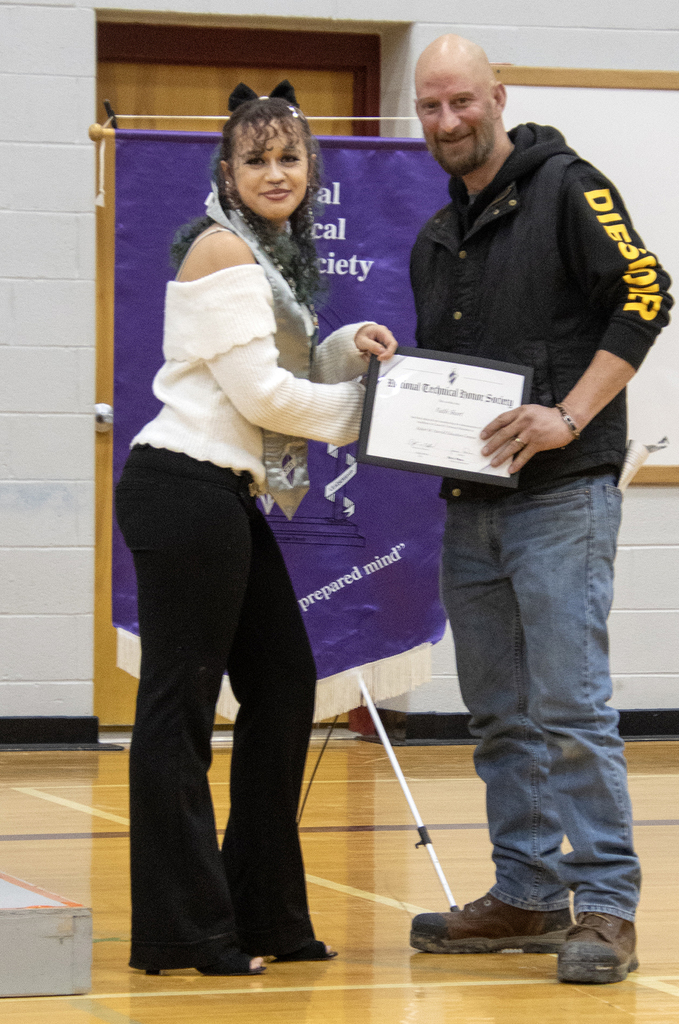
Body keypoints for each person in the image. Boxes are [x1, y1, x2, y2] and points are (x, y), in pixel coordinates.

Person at [114, 84, 397, 977]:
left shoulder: (271, 256)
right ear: (227, 175)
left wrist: (350, 345)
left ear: (309, 169)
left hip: (224, 492)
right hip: (183, 486)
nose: (275, 171)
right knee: (180, 713)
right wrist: (375, 413)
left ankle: (263, 915)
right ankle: (184, 931)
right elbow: (265, 399)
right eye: (256, 158)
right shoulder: (223, 248)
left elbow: (287, 372)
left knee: (282, 689)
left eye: (289, 157)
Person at [407, 36, 672, 984]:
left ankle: (603, 906)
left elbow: (646, 294)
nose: (447, 122)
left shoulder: (569, 185)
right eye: (429, 108)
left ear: (497, 98)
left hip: (562, 501)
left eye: (460, 103)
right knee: (497, 718)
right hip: (469, 510)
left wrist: (567, 416)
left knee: (569, 709)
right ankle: (524, 891)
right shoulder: (435, 238)